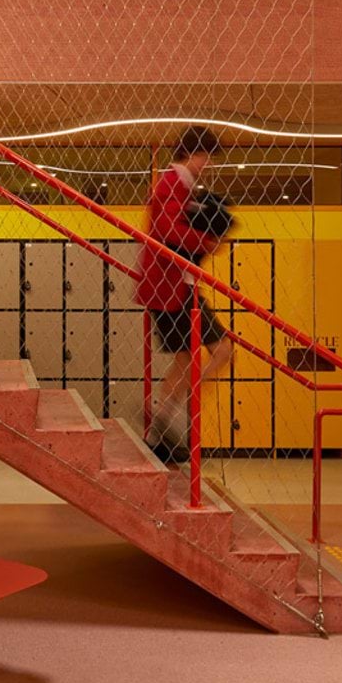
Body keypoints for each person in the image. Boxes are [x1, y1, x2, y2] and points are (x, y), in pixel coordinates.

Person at [134, 126, 235, 464]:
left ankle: (161, 420)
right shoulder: (171, 183)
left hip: (179, 286)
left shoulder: (183, 186)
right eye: (207, 156)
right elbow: (167, 230)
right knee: (216, 351)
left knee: (195, 357)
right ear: (193, 153)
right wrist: (208, 242)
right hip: (170, 288)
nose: (209, 164)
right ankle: (164, 417)